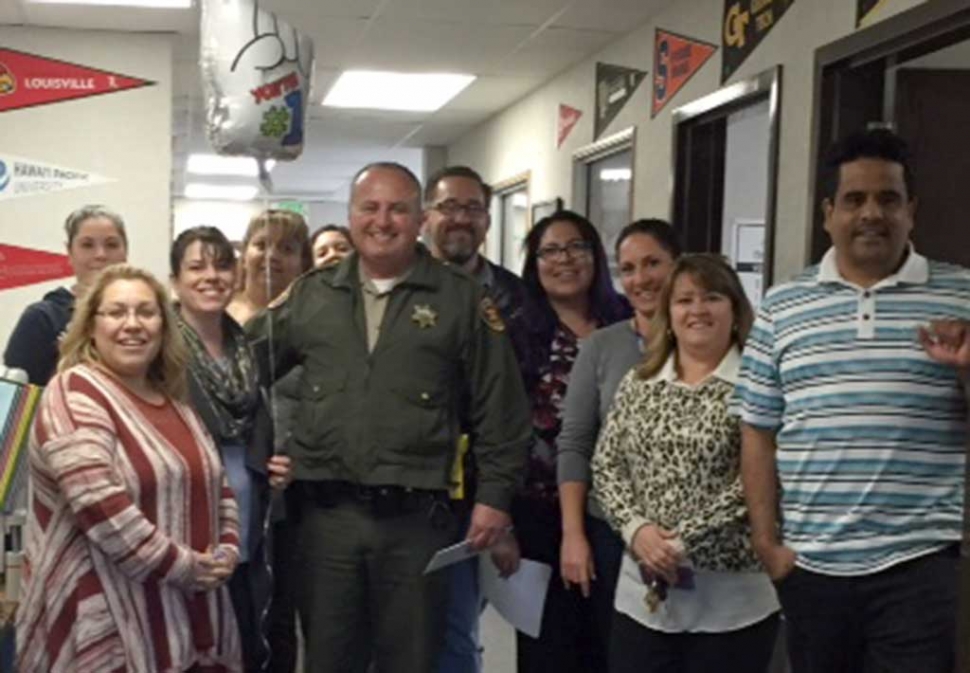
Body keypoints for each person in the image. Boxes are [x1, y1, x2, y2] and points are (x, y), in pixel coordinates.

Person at [246, 161, 531, 673]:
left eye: (397, 208)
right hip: (326, 517)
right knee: (330, 658)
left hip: (416, 520)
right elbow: (243, 370)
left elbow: (502, 410)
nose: (383, 221)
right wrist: (256, 455)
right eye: (369, 208)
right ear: (351, 217)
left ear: (420, 218)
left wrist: (494, 500)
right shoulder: (313, 294)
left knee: (412, 659)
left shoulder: (461, 299)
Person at [735, 128, 970, 673]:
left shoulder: (961, 294)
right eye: (854, 199)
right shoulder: (781, 305)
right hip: (812, 564)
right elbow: (757, 431)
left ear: (910, 210)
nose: (872, 213)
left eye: (888, 199)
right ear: (828, 213)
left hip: (918, 561)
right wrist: (768, 544)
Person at [17, 264, 242, 672]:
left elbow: (218, 485)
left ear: (164, 325)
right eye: (117, 312)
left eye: (147, 312)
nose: (133, 324)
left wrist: (227, 549)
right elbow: (100, 506)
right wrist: (187, 567)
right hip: (106, 621)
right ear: (90, 326)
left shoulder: (174, 401)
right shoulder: (73, 391)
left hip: (189, 611)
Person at [592, 254, 780, 673]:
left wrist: (678, 544)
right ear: (669, 315)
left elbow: (761, 478)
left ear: (734, 310)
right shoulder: (639, 381)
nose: (697, 310)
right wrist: (636, 529)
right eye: (683, 300)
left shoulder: (759, 384)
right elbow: (607, 466)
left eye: (712, 297)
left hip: (731, 603)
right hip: (643, 597)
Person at [170, 226, 293, 672]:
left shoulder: (249, 344)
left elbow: (262, 429)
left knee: (251, 640)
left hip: (251, 521)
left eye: (222, 265)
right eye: (196, 266)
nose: (211, 277)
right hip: (188, 526)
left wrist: (275, 463)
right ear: (175, 280)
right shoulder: (159, 350)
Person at [557, 219, 679, 661]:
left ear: (678, 265)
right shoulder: (602, 347)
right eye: (627, 269)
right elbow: (574, 443)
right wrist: (573, 534)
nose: (640, 279)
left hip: (690, 537)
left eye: (652, 264)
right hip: (611, 534)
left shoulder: (711, 344)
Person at [513, 210, 629, 673]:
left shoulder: (628, 320)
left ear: (596, 256)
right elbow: (496, 428)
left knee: (611, 645)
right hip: (536, 514)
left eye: (577, 247)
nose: (565, 259)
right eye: (551, 250)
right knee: (548, 648)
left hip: (613, 514)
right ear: (534, 263)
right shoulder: (516, 332)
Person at [422, 164, 526, 673]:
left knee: (457, 629)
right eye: (448, 207)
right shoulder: (402, 285)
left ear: (487, 219)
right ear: (426, 217)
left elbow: (515, 406)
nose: (460, 219)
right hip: (410, 486)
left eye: (472, 208)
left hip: (481, 493)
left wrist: (500, 505)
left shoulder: (515, 299)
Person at [4, 204, 128, 385]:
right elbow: (13, 401)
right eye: (87, 245)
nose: (100, 255)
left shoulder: (143, 316)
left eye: (111, 245)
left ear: (126, 252)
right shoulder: (42, 319)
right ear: (70, 252)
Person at [227, 209, 313, 325]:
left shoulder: (313, 320)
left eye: (287, 249)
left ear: (303, 262)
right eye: (261, 245)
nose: (272, 256)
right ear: (244, 257)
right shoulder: (217, 310)